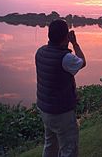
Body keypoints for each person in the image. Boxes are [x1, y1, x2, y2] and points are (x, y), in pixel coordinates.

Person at [35, 19, 86, 157]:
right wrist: (75, 43)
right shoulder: (66, 58)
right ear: (66, 37)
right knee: (69, 149)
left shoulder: (40, 52)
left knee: (50, 145)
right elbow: (82, 62)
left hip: (45, 109)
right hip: (61, 112)